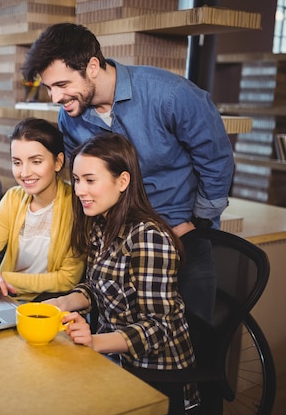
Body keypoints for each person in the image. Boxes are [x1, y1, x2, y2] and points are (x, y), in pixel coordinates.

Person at [22, 22, 234, 322]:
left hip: (180, 235)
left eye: (62, 85)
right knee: (120, 340)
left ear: (92, 66)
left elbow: (216, 160)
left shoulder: (171, 95)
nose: (55, 97)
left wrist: (197, 224)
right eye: (49, 88)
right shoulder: (70, 118)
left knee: (187, 339)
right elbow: (82, 180)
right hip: (116, 243)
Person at [46, 132, 195, 414]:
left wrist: (93, 342)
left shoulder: (149, 238)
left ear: (122, 181)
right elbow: (98, 286)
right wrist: (59, 304)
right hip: (112, 358)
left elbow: (158, 328)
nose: (79, 190)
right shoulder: (102, 224)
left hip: (154, 371)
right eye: (76, 180)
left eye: (90, 180)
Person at [0, 117, 85, 302]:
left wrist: (4, 278)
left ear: (58, 162)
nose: (24, 173)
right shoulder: (13, 198)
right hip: (5, 298)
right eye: (17, 162)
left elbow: (67, 280)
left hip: (48, 306)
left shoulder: (77, 204)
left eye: (36, 161)